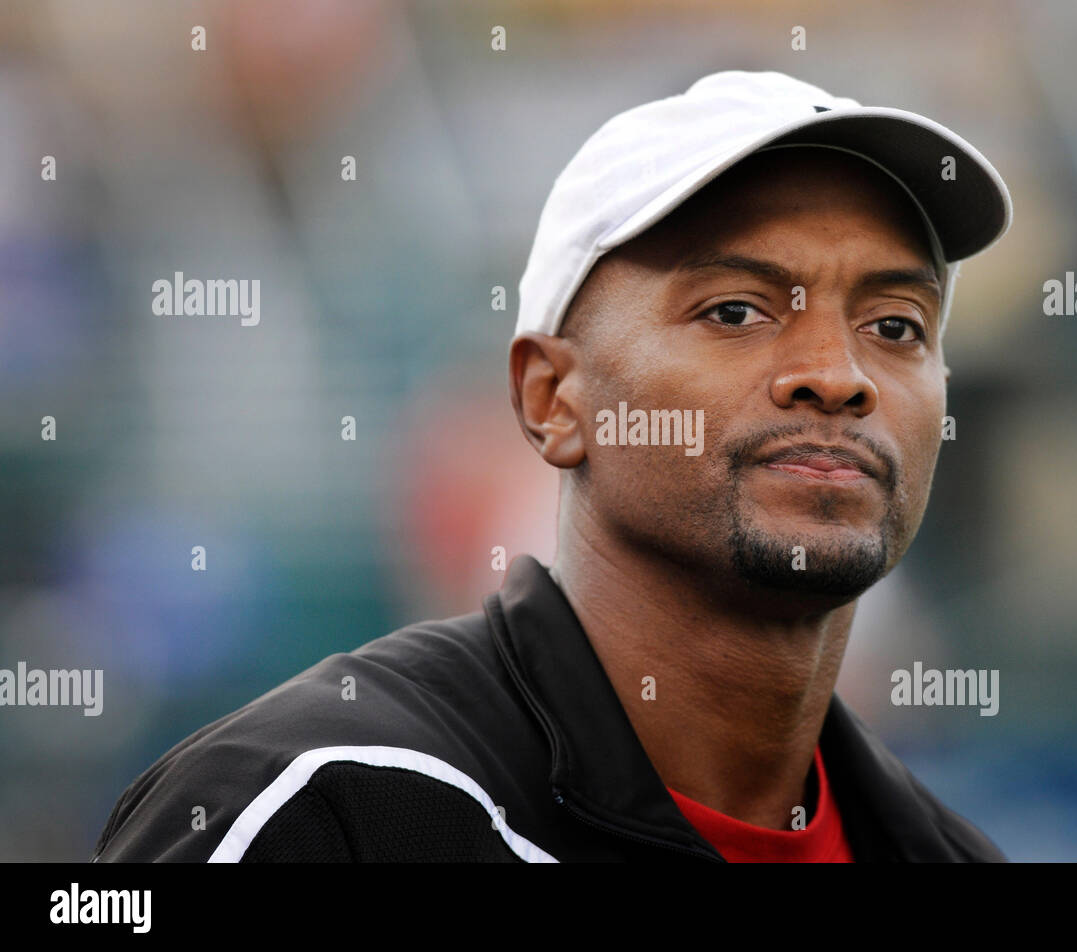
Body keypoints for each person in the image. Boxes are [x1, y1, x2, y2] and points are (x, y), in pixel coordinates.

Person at [93, 70, 1012, 863]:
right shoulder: (322, 811)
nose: (838, 376)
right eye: (737, 310)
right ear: (551, 399)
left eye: (895, 326)